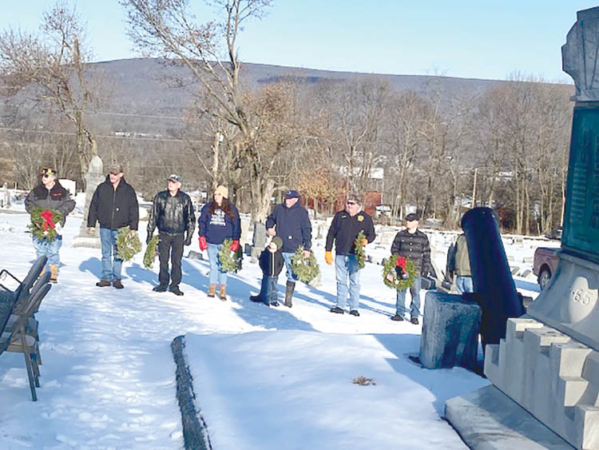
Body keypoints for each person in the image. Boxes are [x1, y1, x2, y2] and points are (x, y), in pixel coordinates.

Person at [87, 163, 139, 289]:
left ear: (121, 174)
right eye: (111, 173)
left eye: (115, 174)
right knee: (105, 253)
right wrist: (91, 224)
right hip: (105, 226)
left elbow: (134, 209)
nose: (112, 176)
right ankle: (106, 277)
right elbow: (94, 206)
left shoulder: (128, 190)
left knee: (118, 254)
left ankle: (116, 278)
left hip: (121, 227)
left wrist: (133, 227)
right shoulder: (102, 188)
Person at [325, 194, 375, 317]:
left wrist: (366, 241)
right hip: (341, 253)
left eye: (352, 203)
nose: (349, 206)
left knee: (354, 281)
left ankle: (354, 307)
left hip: (355, 255)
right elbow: (331, 233)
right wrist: (328, 250)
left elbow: (372, 234)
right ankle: (340, 306)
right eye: (348, 203)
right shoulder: (339, 216)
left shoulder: (365, 218)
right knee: (341, 281)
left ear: (358, 205)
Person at [147, 174, 196, 296]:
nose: (170, 184)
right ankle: (163, 283)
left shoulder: (185, 199)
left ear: (179, 185)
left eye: (173, 182)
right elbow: (153, 216)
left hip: (179, 235)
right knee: (163, 260)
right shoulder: (160, 197)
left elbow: (190, 218)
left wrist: (189, 235)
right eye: (169, 182)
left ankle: (175, 285)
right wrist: (150, 233)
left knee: (176, 261)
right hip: (164, 233)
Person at [24, 167, 76, 283]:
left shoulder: (62, 192)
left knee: (53, 250)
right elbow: (29, 203)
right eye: (42, 176)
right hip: (39, 225)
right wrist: (37, 214)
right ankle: (40, 272)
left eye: (46, 176)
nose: (43, 178)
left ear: (53, 178)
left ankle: (53, 273)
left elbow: (70, 203)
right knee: (40, 249)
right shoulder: (36, 191)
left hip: (54, 225)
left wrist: (59, 213)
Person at [263, 189, 312, 307]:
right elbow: (270, 219)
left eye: (289, 199)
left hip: (294, 248)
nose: (287, 201)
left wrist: (307, 247)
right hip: (278, 246)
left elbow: (307, 230)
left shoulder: (302, 213)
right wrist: (269, 227)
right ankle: (272, 298)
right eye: (286, 198)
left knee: (292, 274)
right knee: (273, 273)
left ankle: (288, 299)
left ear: (295, 199)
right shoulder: (279, 209)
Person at [198, 185, 241, 301]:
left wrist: (236, 240)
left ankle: (222, 290)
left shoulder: (231, 209)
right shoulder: (207, 208)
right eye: (215, 194)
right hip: (211, 241)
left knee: (223, 266)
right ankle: (211, 288)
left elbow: (236, 225)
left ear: (224, 197)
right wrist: (201, 237)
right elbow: (202, 222)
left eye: (219, 194)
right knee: (213, 265)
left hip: (225, 243)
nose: (216, 197)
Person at [390, 213, 432, 325]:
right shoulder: (400, 235)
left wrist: (426, 267)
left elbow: (427, 253)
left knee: (415, 293)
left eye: (410, 220)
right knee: (401, 291)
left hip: (416, 269)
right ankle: (399, 313)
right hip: (402, 268)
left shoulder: (423, 237)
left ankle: (414, 315)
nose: (408, 222)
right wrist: (397, 263)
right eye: (407, 220)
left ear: (416, 222)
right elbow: (394, 249)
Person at [251, 236, 284, 307]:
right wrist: (264, 270)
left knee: (274, 288)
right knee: (267, 288)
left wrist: (277, 271)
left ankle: (274, 300)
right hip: (267, 274)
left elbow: (281, 264)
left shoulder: (278, 254)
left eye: (274, 243)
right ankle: (267, 300)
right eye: (271, 242)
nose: (271, 244)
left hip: (275, 275)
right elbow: (261, 262)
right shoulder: (266, 252)